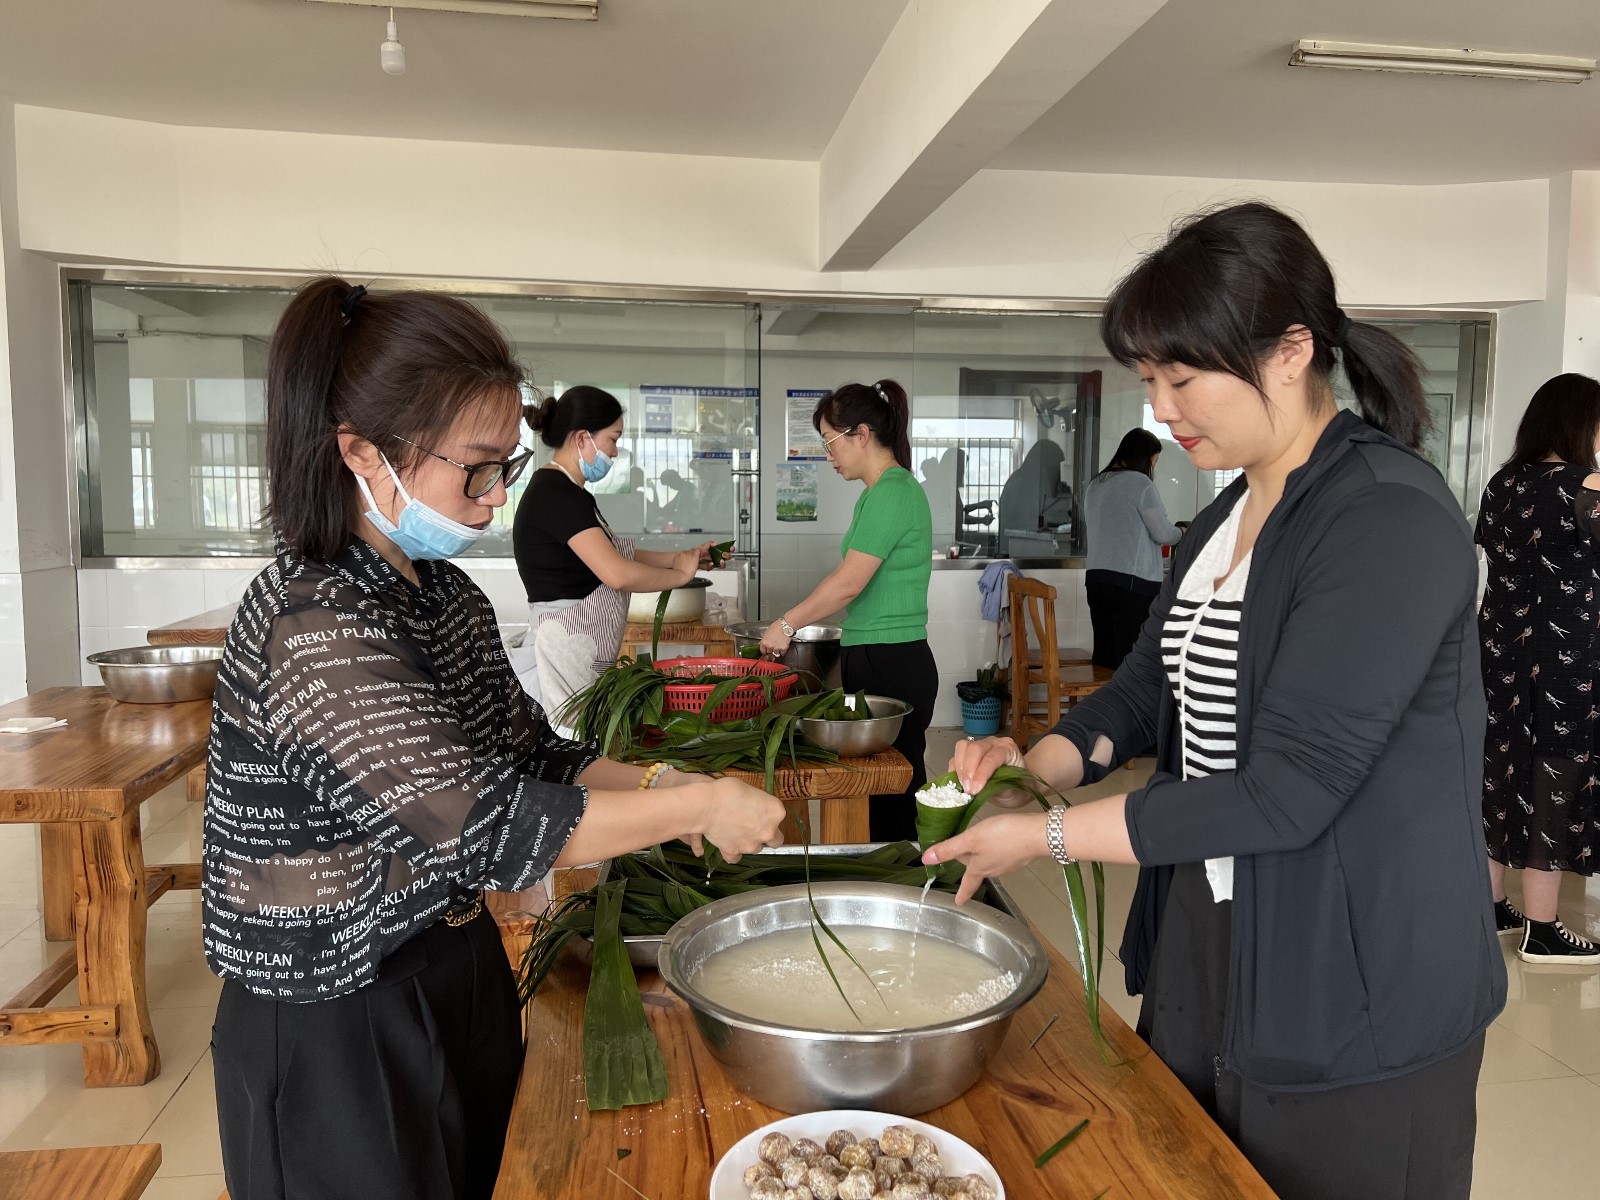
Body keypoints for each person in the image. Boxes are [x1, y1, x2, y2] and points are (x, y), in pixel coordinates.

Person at [921, 203, 1505, 1200]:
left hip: (1355, 970)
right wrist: (1036, 767)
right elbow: (1144, 690)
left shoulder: (1386, 518)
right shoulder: (1225, 514)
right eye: (1150, 380)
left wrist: (1045, 836)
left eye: (1181, 379)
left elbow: (1290, 791)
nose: (1161, 409)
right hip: (1212, 932)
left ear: (1290, 352)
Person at [203, 279, 785, 1200]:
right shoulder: (313, 625)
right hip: (335, 1007)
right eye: (475, 469)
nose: (494, 497)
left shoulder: (444, 597)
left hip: (453, 956)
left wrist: (661, 783)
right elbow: (487, 825)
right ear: (361, 451)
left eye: (504, 466)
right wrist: (699, 807)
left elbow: (535, 755)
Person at [759, 380, 934, 842]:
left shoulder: (894, 491)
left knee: (893, 797)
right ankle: (890, 872)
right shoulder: (876, 493)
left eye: (829, 441)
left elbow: (849, 583)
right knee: (877, 793)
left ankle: (913, 875)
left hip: (894, 660)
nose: (828, 455)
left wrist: (787, 624)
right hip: (876, 655)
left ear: (861, 434)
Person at [1475, 372, 1600, 963]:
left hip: (1500, 653)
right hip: (1565, 659)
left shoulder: (1502, 484)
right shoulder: (1585, 486)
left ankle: (1493, 905)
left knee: (1502, 769)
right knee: (1558, 773)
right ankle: (1544, 928)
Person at [508, 385, 709, 721]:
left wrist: (681, 557)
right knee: (573, 740)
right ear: (582, 438)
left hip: (577, 646)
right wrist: (680, 576)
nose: (615, 452)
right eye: (613, 439)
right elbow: (616, 573)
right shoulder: (556, 494)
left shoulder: (569, 493)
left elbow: (614, 552)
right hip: (565, 647)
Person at [1083, 428, 1182, 668]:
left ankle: (1103, 694)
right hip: (1131, 585)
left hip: (1096, 581)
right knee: (1132, 661)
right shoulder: (1141, 484)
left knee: (1105, 659)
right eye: (1154, 461)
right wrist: (1183, 533)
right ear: (1143, 457)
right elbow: (1163, 533)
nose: (1153, 468)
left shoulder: (1096, 483)